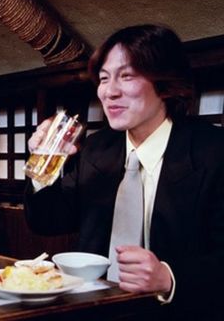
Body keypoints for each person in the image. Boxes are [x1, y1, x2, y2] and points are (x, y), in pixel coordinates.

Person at [24, 24, 224, 319]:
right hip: (94, 307)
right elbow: (49, 221)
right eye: (104, 79)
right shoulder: (97, 148)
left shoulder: (213, 151)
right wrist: (42, 166)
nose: (109, 91)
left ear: (165, 83)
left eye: (126, 76)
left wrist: (169, 277)